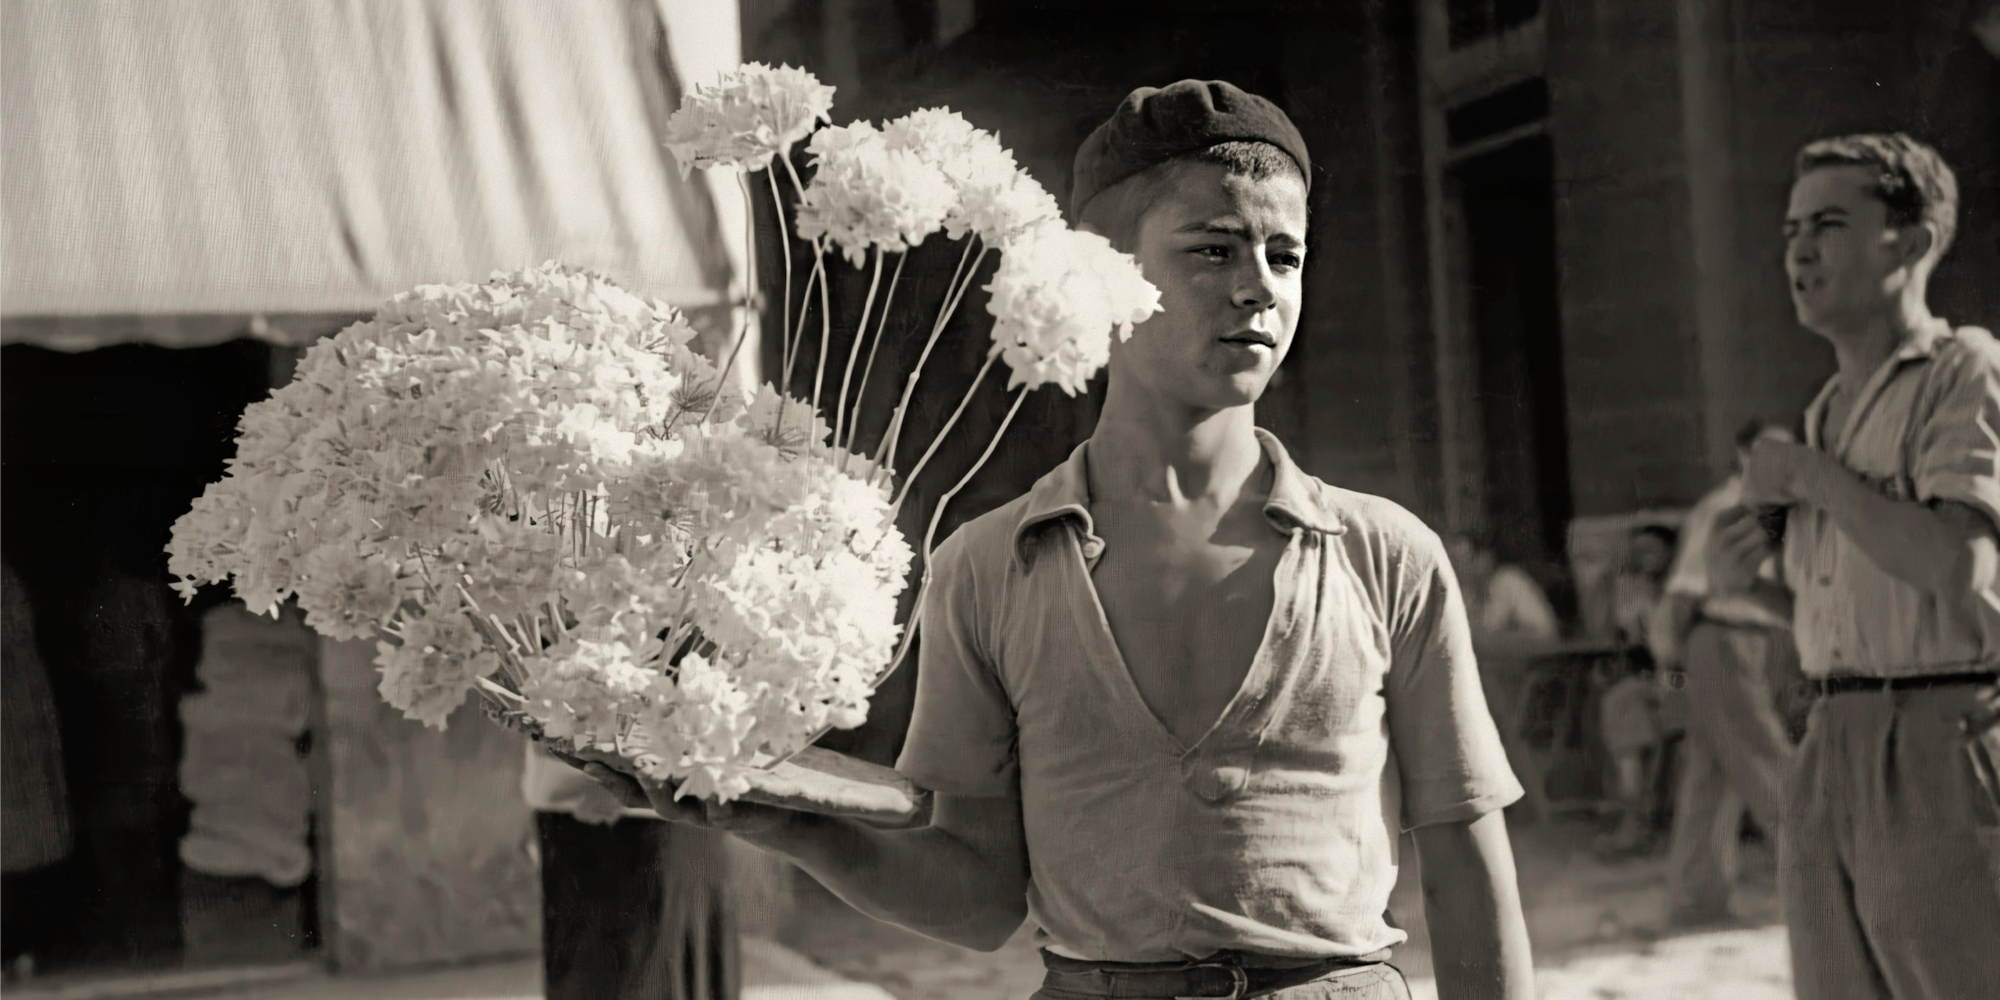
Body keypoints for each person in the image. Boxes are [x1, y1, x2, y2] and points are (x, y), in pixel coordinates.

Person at [582, 80, 1534, 1000]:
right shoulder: (988, 568)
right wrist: (787, 824)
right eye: (1212, 251)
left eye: (1285, 257)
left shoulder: (1383, 555)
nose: (1259, 288)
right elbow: (978, 894)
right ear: (1100, 272)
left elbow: (1463, 854)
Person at [1710, 132, 2000, 999]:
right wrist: (1752, 593)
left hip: (1939, 741)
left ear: (1913, 243)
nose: (1798, 248)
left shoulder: (1966, 372)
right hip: (1830, 744)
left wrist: (1806, 475)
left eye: (1830, 224)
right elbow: (1855, 616)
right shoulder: (1829, 407)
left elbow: (1962, 568)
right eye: (1793, 227)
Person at [1649, 419, 1800, 927]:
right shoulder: (1722, 508)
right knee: (1766, 757)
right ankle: (1816, 882)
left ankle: (1698, 897)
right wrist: (1671, 664)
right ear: (1741, 454)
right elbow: (1685, 593)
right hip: (1722, 637)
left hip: (1772, 640)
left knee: (1712, 771)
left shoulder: (1786, 509)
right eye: (1764, 450)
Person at [524, 746, 740, 1000]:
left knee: (654, 968)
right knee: (585, 968)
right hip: (574, 805)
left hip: (648, 810)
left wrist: (614, 779)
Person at [1593, 525, 1678, 856]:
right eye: (1637, 550)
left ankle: (1635, 820)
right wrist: (1610, 580)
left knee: (1622, 703)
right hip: (1662, 682)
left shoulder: (1682, 591)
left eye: (1652, 549)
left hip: (1700, 679)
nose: (1645, 557)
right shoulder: (1641, 593)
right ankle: (1638, 817)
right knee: (1624, 706)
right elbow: (1608, 632)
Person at [1447, 533, 1561, 647]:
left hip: (1532, 661)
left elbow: (1547, 633)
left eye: (1468, 559)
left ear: (1485, 557)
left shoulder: (1511, 581)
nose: (1462, 570)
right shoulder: (1463, 595)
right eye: (1457, 562)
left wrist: (1496, 639)